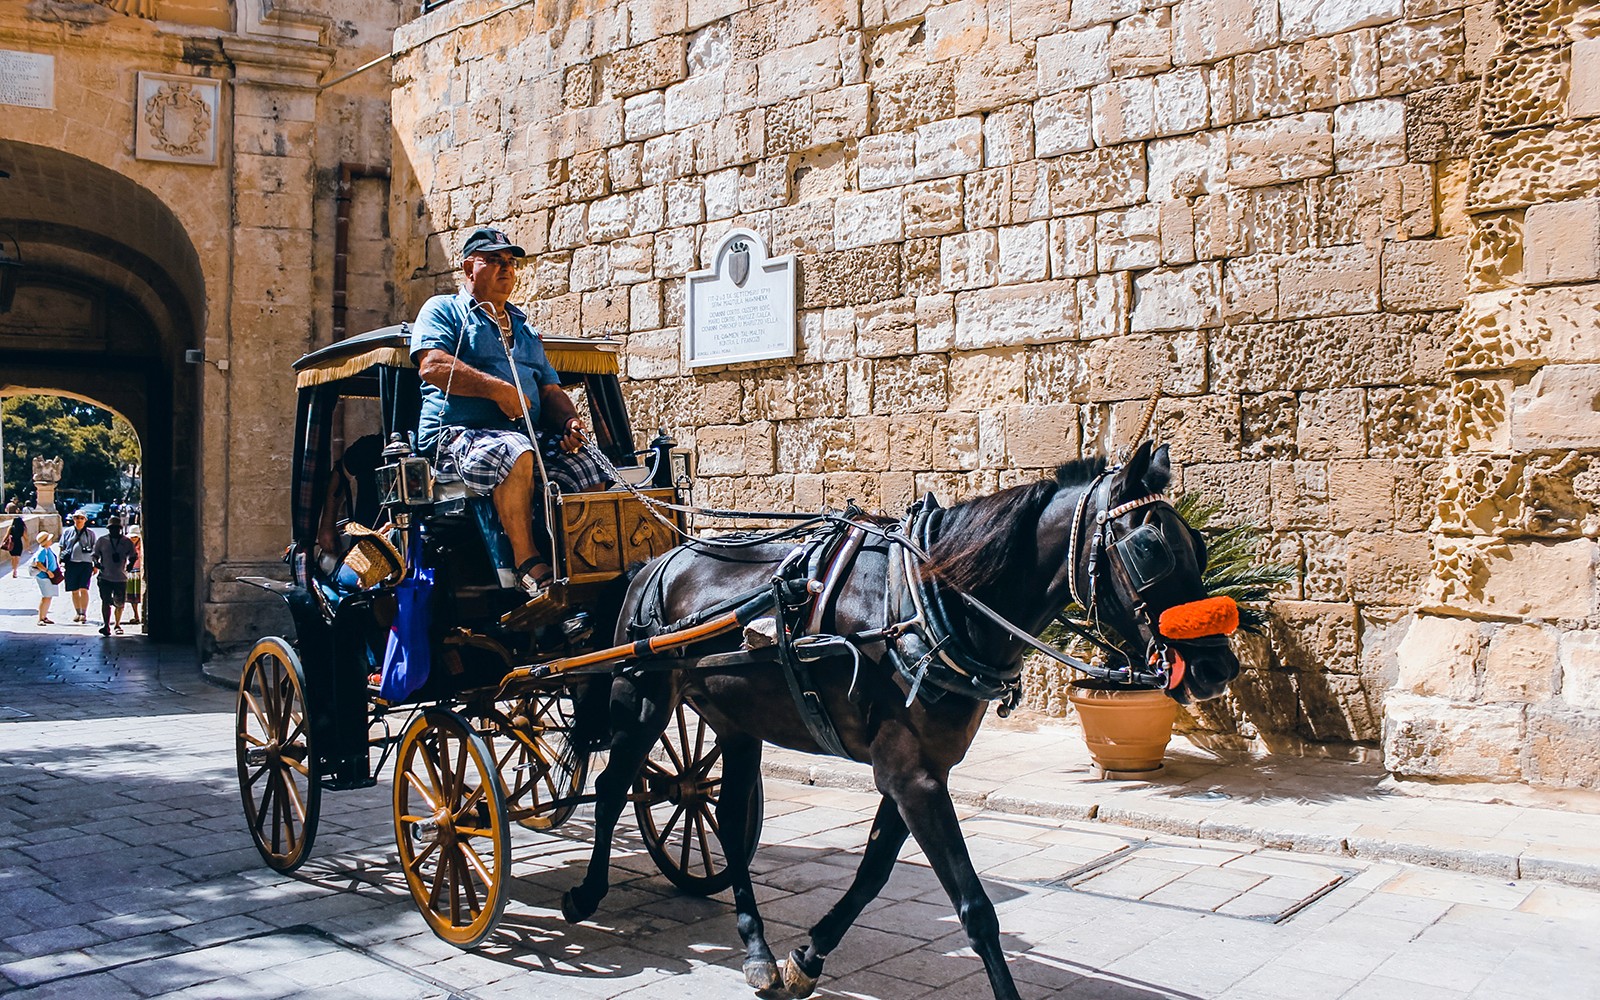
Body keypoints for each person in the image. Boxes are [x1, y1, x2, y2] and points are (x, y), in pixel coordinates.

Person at [410, 226, 609, 599]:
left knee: (588, 465)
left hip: (523, 436)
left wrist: (570, 421)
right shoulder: (443, 311)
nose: (506, 269)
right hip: (455, 436)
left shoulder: (525, 329)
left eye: (511, 262)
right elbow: (432, 366)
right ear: (470, 267)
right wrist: (498, 390)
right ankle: (527, 566)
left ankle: (582, 558)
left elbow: (549, 390)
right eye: (495, 261)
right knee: (515, 451)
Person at [92, 516, 138, 636]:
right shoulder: (102, 541)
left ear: (119, 529)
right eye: (112, 528)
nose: (114, 530)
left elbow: (133, 555)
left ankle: (117, 623)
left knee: (119, 602)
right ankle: (106, 625)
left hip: (120, 576)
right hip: (105, 576)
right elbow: (95, 554)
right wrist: (96, 563)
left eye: (116, 528)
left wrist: (130, 565)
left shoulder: (126, 542)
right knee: (105, 601)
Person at [59, 510, 97, 625]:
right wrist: (60, 562)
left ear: (85, 520)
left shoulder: (90, 533)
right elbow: (62, 547)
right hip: (71, 564)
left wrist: (96, 565)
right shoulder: (67, 532)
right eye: (77, 518)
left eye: (81, 518)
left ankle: (83, 613)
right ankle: (77, 612)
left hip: (86, 564)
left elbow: (95, 549)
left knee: (84, 589)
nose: (79, 520)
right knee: (74, 590)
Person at [30, 531, 59, 626]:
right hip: (44, 577)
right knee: (45, 597)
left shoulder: (46, 549)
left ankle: (44, 616)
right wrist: (48, 571)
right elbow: (38, 563)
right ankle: (41, 618)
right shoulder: (42, 551)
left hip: (48, 577)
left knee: (48, 597)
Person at [124, 525, 144, 626]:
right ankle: (136, 615)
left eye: (135, 537)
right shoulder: (126, 546)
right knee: (132, 596)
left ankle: (143, 615)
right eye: (132, 537)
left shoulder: (142, 547)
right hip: (131, 573)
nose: (133, 539)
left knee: (141, 595)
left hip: (140, 572)